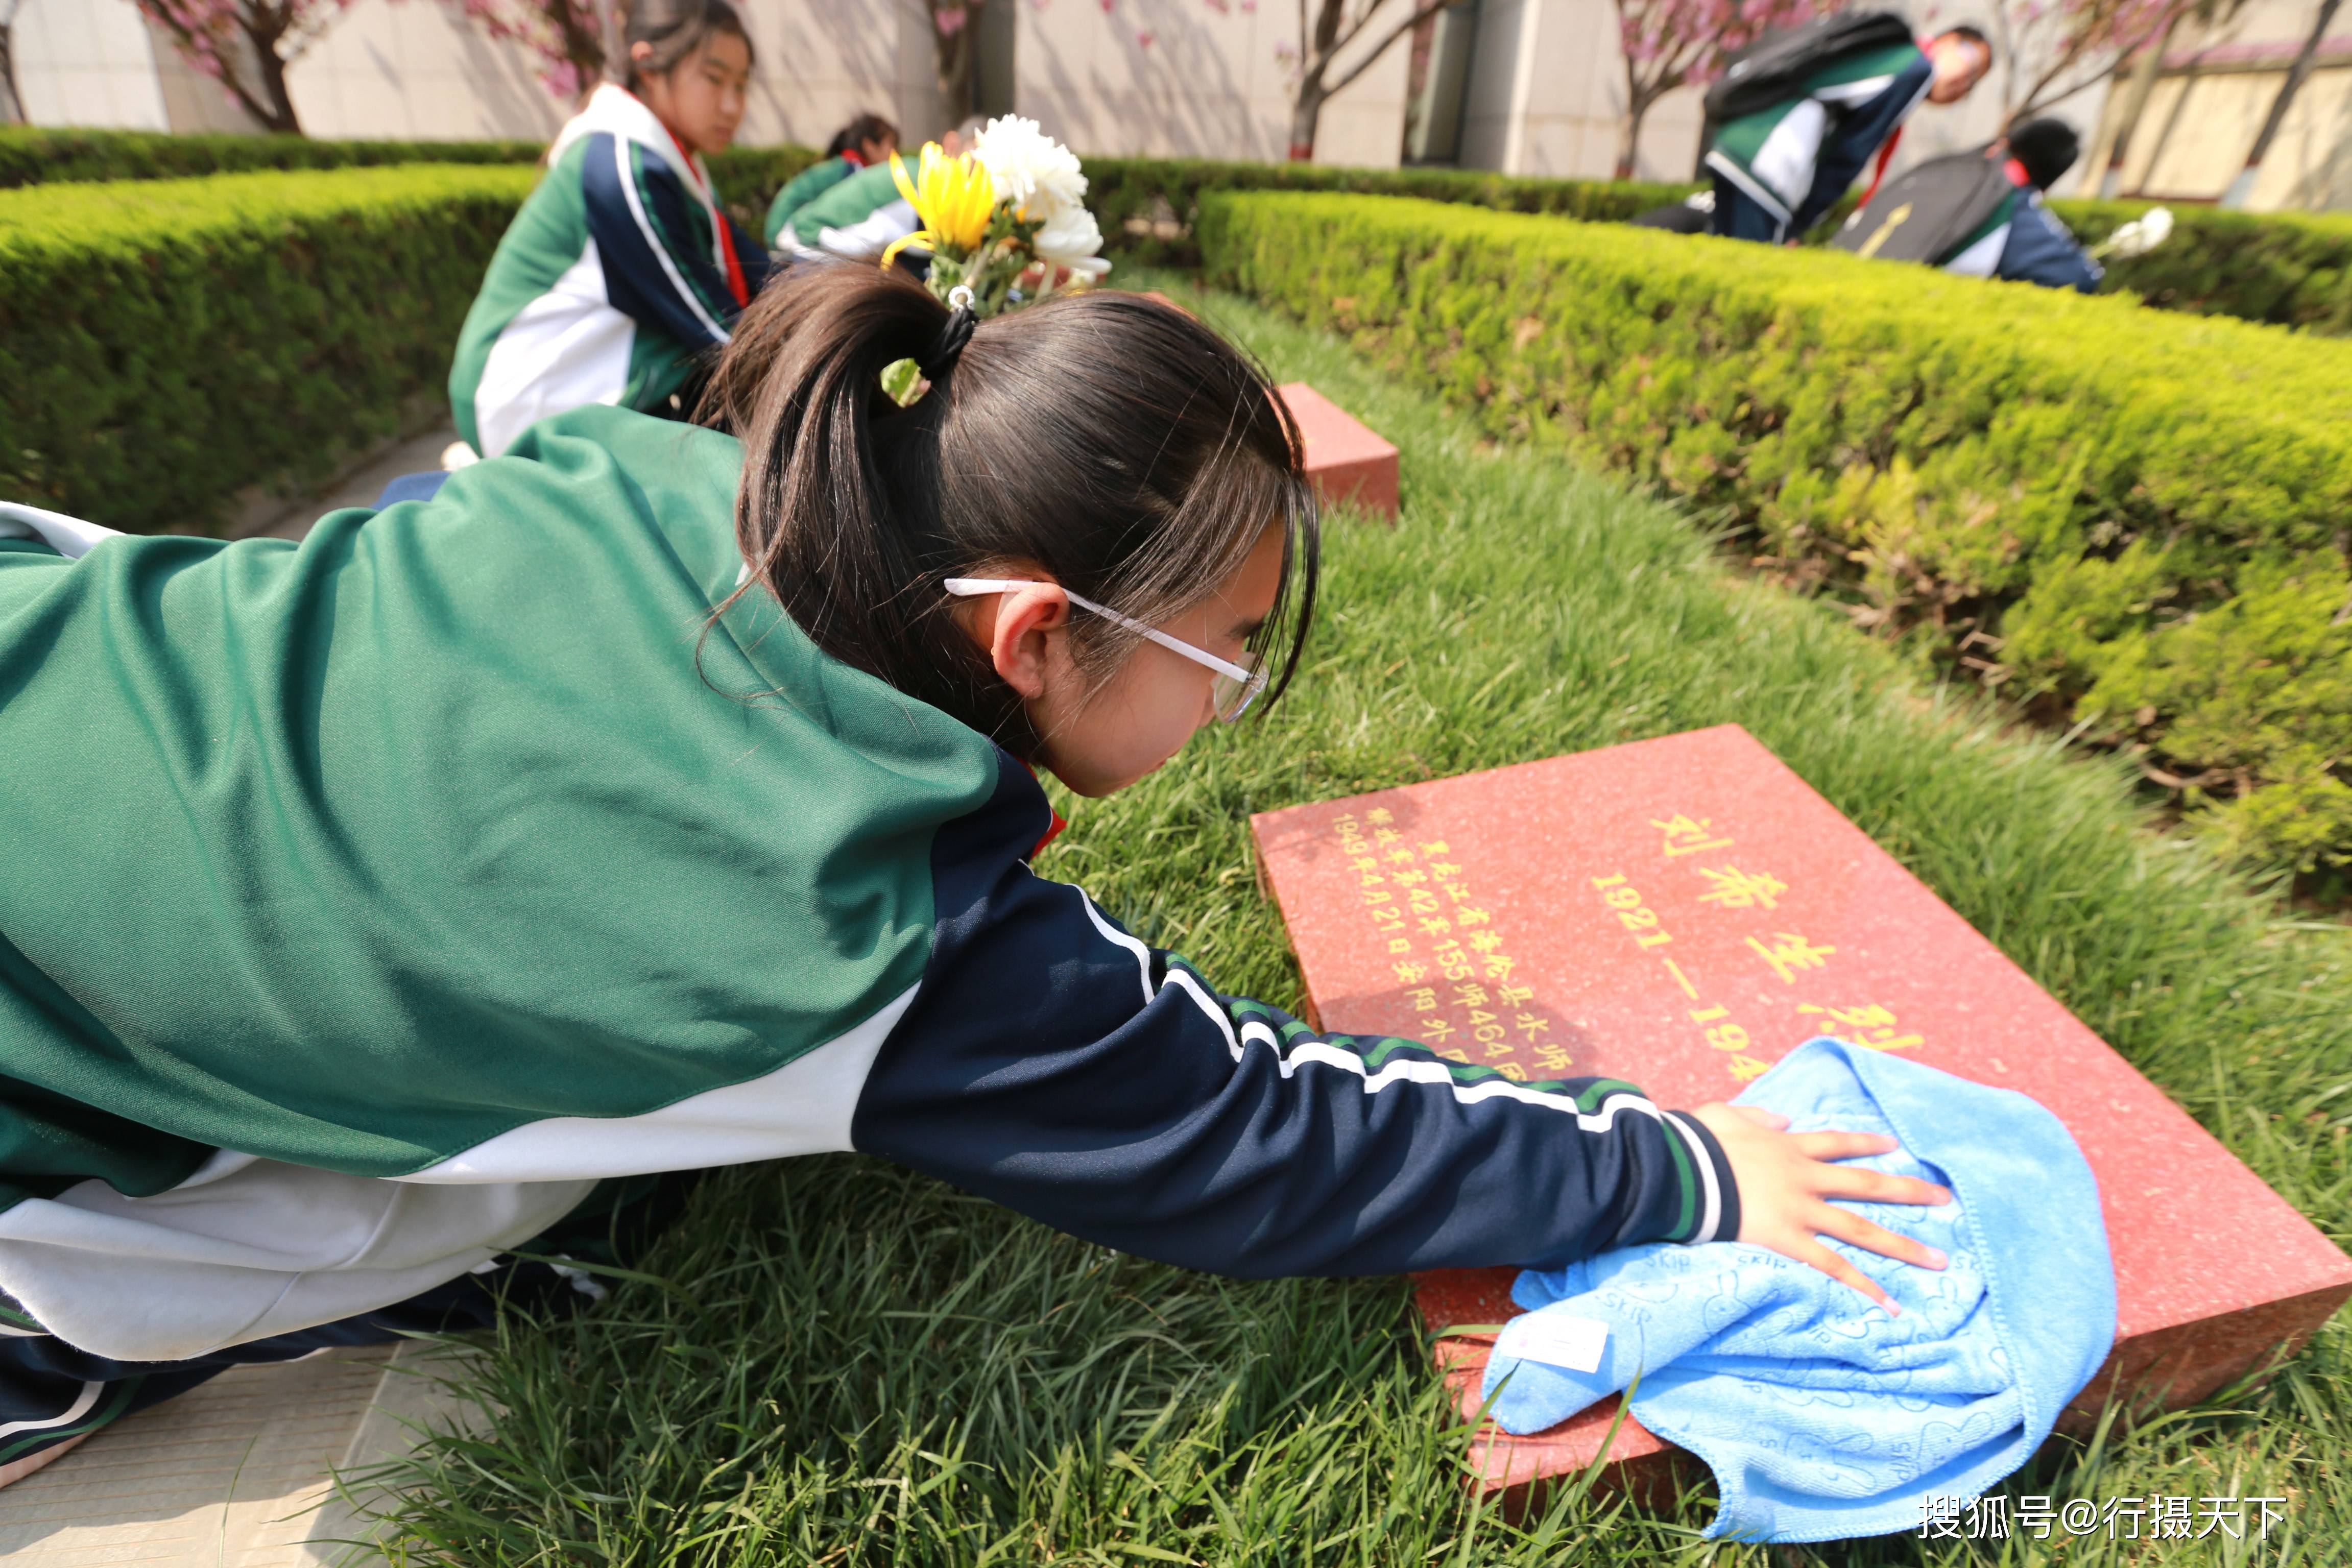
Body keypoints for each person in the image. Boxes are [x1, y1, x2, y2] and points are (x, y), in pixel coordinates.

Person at [0, 266, 1951, 1485]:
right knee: (298, 1224)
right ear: (1027, 634)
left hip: (66, 653)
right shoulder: (861, 925)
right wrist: (1686, 1167)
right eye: (1228, 650)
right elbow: (1265, 1138)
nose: (1241, 695)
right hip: (37, 1060)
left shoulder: (692, 475)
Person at [446, 0, 770, 463]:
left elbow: (757, 272)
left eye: (741, 85)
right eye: (714, 79)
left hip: (570, 389)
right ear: (649, 66)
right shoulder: (624, 164)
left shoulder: (673, 162)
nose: (732, 105)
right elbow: (717, 331)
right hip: (520, 402)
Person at [1708, 23, 1993, 245]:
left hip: (1741, 139)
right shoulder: (1915, 68)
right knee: (1750, 271)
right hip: (1773, 158)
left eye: (1974, 81)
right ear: (1945, 41)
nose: (1964, 81)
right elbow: (1850, 153)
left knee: (1722, 261)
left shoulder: (1892, 53)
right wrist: (1801, 225)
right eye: (1969, 61)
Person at [780, 113, 989, 263]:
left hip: (816, 248)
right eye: (980, 152)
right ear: (952, 144)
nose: (986, 164)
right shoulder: (932, 180)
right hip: (812, 251)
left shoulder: (921, 170)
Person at [1940, 118, 2103, 291]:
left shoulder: (1937, 178)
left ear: (2003, 145)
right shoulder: (2025, 222)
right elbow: (2082, 277)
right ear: (2049, 183)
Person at [763, 112, 898, 251]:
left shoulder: (850, 169)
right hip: (788, 241)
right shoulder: (847, 173)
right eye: (891, 144)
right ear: (869, 146)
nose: (895, 153)